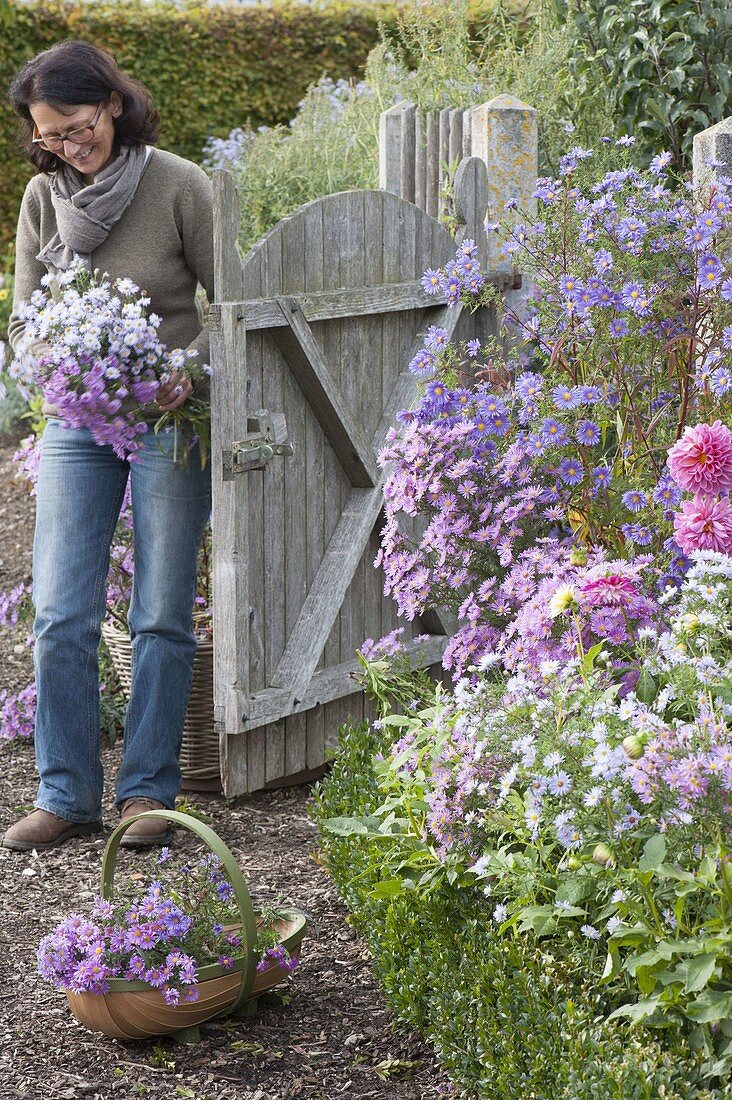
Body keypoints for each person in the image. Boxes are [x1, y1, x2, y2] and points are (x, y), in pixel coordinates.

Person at [2, 40, 214, 851]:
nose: (65, 145)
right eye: (49, 135)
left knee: (160, 610)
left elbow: (231, 308)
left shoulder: (179, 186)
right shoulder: (40, 199)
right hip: (79, 422)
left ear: (113, 105)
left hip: (168, 420)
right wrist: (50, 357)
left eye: (76, 125)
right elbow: (23, 321)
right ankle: (65, 795)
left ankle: (147, 796)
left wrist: (187, 374)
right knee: (59, 610)